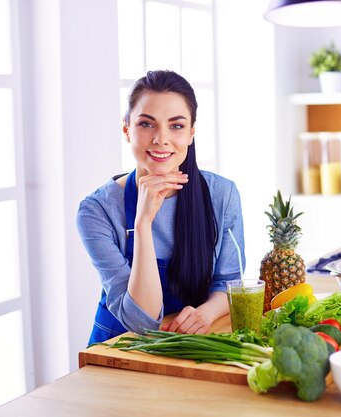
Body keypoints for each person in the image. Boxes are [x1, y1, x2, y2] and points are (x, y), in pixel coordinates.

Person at [77, 70, 245, 345]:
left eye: (176, 126)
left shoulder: (221, 195)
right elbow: (142, 321)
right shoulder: (96, 211)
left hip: (189, 347)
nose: (161, 139)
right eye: (146, 124)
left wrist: (205, 314)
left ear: (191, 133)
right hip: (119, 354)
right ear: (126, 130)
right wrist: (143, 223)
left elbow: (229, 282)